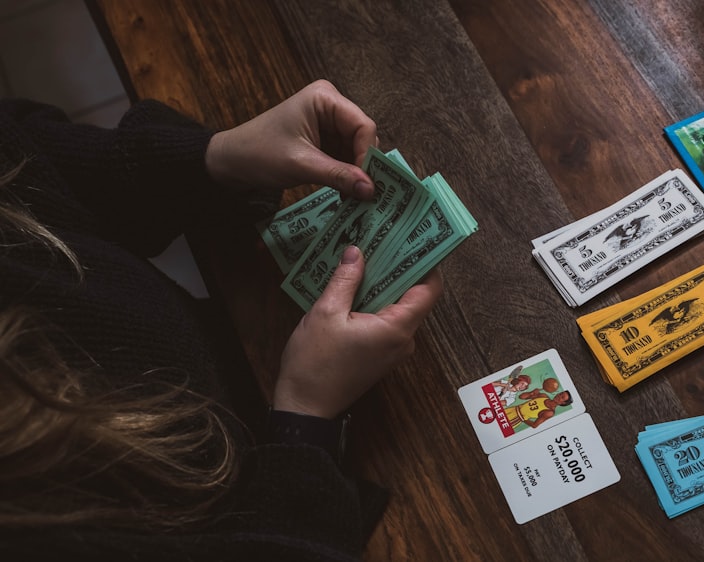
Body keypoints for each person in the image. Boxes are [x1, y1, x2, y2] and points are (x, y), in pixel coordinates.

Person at [0, 79, 442, 560]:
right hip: (282, 470)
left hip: (227, 358)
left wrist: (215, 157)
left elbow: (27, 159)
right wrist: (304, 418)